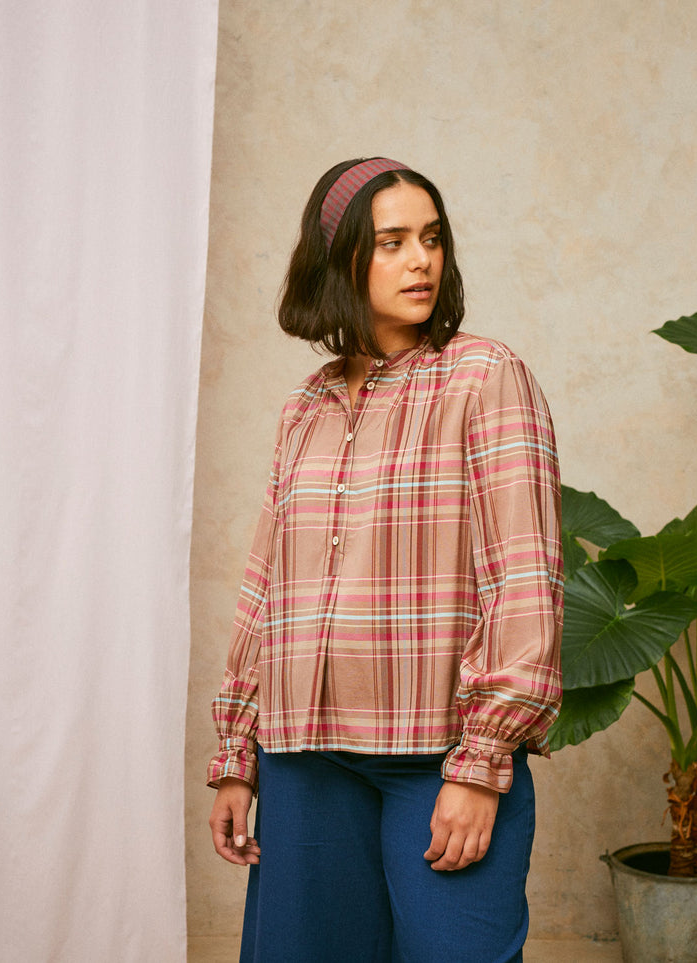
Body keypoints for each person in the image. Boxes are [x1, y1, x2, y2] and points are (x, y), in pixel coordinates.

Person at [207, 157, 564, 963]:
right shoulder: (303, 407)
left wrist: (478, 766)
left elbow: (524, 579)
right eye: (392, 241)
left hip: (434, 758)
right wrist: (237, 755)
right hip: (303, 759)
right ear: (339, 261)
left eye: (431, 239)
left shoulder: (485, 378)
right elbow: (265, 591)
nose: (420, 260)